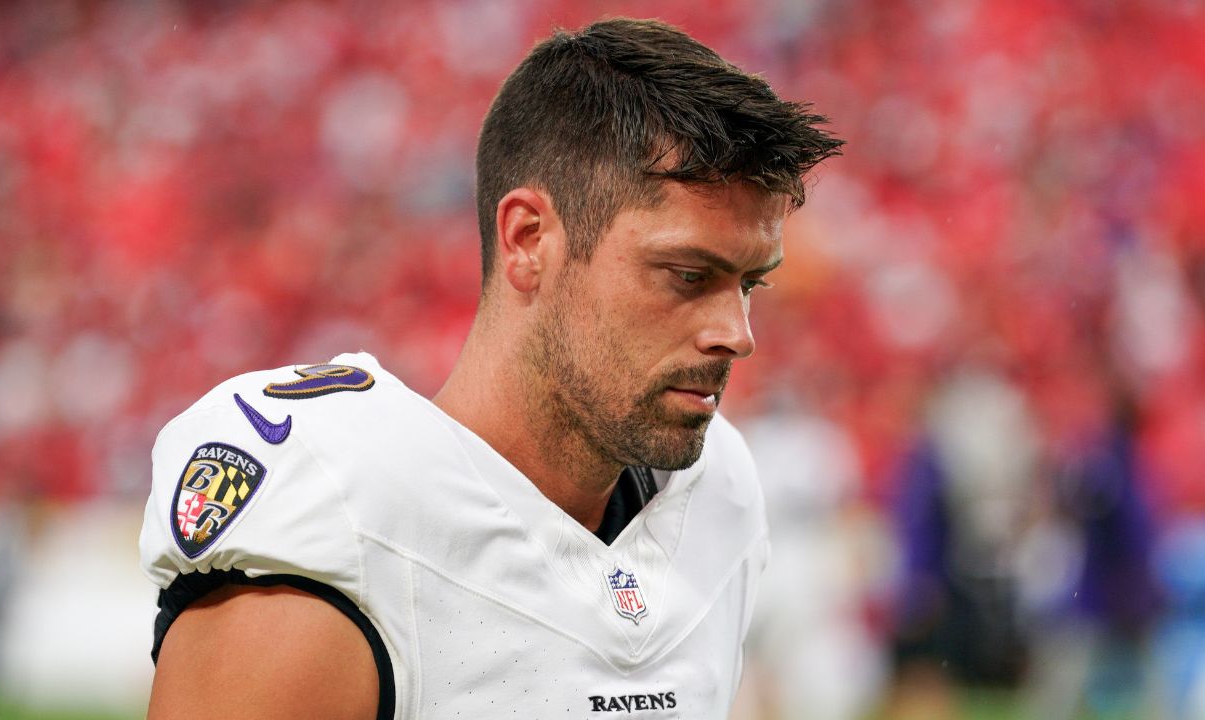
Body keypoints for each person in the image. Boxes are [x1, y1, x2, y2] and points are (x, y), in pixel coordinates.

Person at [139, 17, 840, 719]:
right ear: (529, 239)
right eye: (688, 275)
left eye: (749, 285)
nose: (736, 335)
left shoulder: (718, 495)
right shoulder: (343, 521)